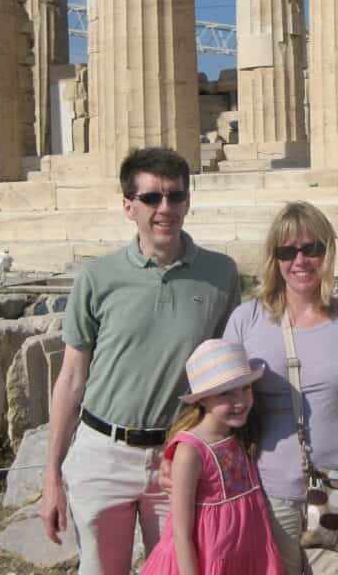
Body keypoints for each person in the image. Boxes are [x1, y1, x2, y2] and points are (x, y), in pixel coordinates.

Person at [41, 147, 242, 575]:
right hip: (102, 454)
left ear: (188, 202)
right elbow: (72, 379)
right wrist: (51, 477)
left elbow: (226, 374)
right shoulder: (97, 277)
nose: (164, 208)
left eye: (175, 196)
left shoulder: (221, 274)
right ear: (128, 206)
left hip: (177, 458)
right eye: (151, 198)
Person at [223, 201, 338, 575]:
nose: (300, 260)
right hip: (267, 489)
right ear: (274, 258)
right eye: (287, 251)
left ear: (326, 252)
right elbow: (218, 401)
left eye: (311, 249)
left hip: (337, 490)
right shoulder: (246, 319)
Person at [140, 338, 284, 575]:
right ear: (202, 399)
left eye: (246, 388)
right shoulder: (190, 452)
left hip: (247, 555)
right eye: (225, 393)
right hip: (205, 562)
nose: (240, 401)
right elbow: (181, 534)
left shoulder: (240, 434)